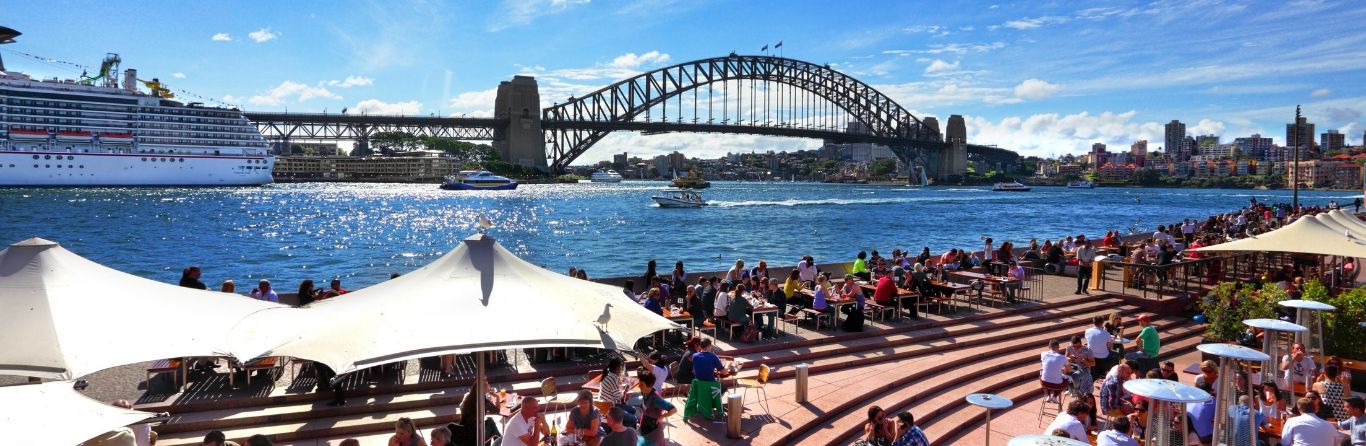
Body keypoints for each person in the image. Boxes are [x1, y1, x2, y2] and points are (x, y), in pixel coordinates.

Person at [684, 338, 726, 421]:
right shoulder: (713, 356)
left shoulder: (695, 356)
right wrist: (728, 368)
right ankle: (714, 405)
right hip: (710, 384)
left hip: (698, 383)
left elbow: (697, 368)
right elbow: (724, 372)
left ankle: (705, 405)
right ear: (708, 346)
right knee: (724, 388)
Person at [637, 371, 676, 446]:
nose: (639, 386)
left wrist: (662, 416)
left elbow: (673, 409)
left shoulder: (656, 399)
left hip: (654, 434)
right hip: (645, 429)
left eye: (642, 384)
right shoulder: (645, 393)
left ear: (650, 385)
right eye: (639, 383)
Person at [1041, 339, 1072, 404]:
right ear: (1058, 347)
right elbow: (1069, 370)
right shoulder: (1062, 357)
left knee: (1042, 375)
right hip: (1057, 385)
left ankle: (1048, 395)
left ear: (1049, 347)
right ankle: (1055, 396)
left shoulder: (1043, 354)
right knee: (1069, 379)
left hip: (1044, 383)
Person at [1085, 315, 1114, 381]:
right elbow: (1109, 347)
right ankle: (1109, 372)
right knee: (1115, 354)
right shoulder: (1106, 334)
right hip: (1103, 357)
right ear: (1102, 322)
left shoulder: (1087, 331)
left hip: (1091, 355)